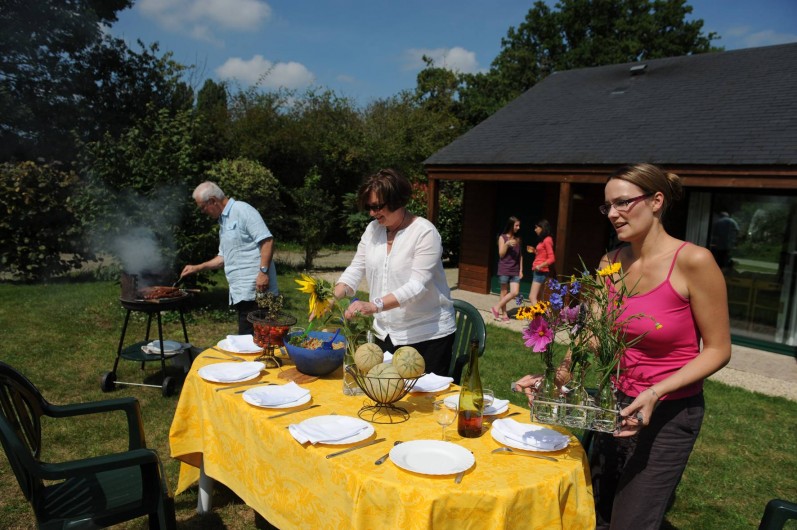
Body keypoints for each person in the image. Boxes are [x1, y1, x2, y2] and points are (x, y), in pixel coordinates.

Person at [514, 163, 731, 529]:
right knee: (593, 513)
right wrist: (557, 377)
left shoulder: (694, 261)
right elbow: (593, 335)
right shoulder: (610, 262)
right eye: (608, 206)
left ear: (657, 200)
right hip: (615, 406)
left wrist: (656, 392)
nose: (613, 214)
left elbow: (718, 349)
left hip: (669, 413)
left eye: (623, 203)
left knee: (632, 521)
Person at [334, 168, 457, 376]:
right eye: (369, 207)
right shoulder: (373, 230)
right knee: (384, 395)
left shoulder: (424, 233)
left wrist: (374, 305)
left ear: (397, 200)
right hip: (385, 333)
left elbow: (416, 286)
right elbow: (356, 268)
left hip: (427, 336)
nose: (372, 213)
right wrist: (330, 297)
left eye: (377, 206)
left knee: (423, 403)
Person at [180, 181, 278, 335]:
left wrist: (263, 272)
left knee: (265, 343)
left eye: (202, 207)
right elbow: (222, 258)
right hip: (244, 296)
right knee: (250, 343)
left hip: (260, 294)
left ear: (212, 200)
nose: (203, 212)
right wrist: (197, 268)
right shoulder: (224, 222)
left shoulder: (242, 210)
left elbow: (267, 240)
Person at [491, 216, 523, 322]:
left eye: (519, 225)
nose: (518, 227)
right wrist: (507, 244)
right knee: (504, 291)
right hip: (504, 268)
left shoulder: (518, 239)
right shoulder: (502, 237)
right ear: (511, 225)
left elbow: (520, 256)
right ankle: (504, 314)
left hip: (515, 270)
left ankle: (496, 307)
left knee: (515, 292)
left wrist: (521, 270)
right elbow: (501, 254)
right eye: (516, 225)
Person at [528, 219, 555, 305]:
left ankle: (538, 318)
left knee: (532, 297)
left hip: (540, 271)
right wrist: (535, 251)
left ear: (542, 228)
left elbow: (551, 258)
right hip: (538, 270)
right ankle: (543, 316)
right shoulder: (544, 240)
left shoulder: (547, 240)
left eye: (536, 227)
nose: (535, 230)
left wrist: (540, 266)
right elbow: (543, 255)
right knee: (540, 297)